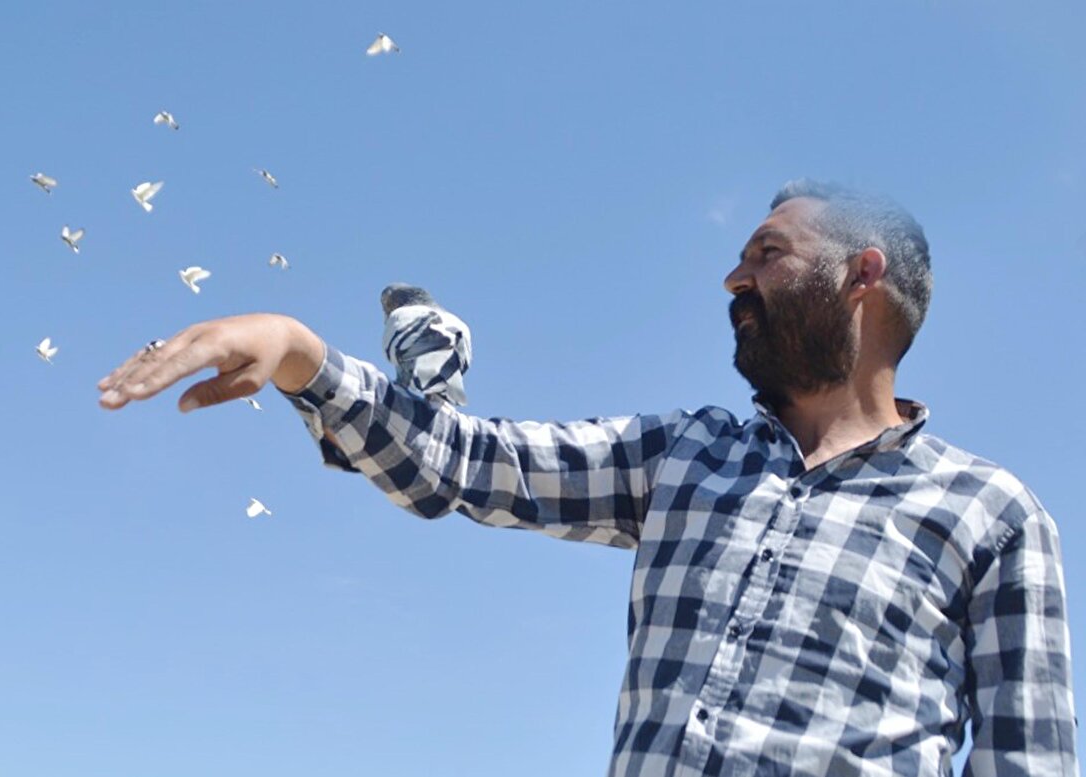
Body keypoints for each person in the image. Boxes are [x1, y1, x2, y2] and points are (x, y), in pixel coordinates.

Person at [97, 180, 1077, 776]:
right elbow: (466, 462)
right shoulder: (685, 457)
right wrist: (302, 353)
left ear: (863, 277)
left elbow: (1026, 763)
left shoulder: (988, 518)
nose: (733, 280)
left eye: (766, 256)